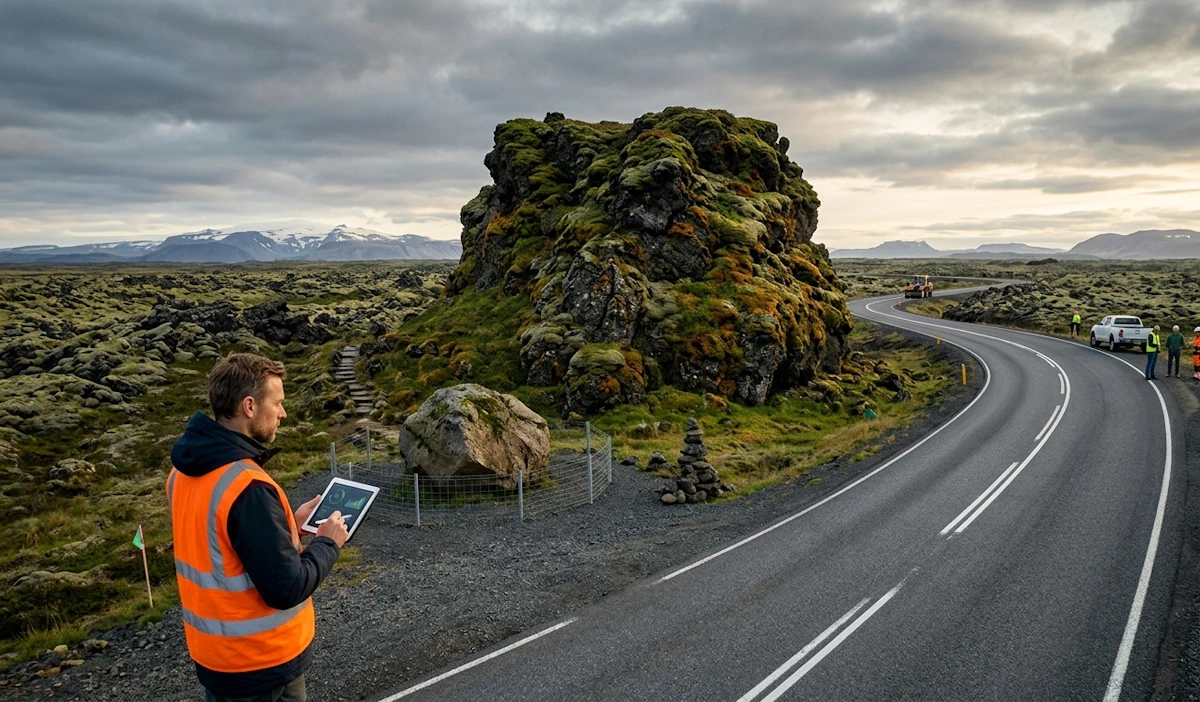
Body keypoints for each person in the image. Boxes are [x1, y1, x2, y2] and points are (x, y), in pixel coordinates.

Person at [166, 353, 349, 702]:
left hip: (215, 657)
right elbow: (287, 588)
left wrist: (285, 527)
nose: (283, 413)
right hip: (261, 665)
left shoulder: (183, 472)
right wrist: (328, 543)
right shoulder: (247, 487)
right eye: (277, 403)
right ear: (249, 406)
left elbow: (221, 543)